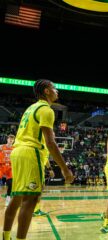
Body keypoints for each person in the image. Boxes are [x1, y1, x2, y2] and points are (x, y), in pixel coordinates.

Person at [3, 79, 74, 240]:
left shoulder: (31, 108)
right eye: (54, 88)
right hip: (30, 153)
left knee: (17, 197)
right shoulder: (46, 110)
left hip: (18, 151)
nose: (57, 91)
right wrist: (64, 169)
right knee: (31, 199)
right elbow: (50, 142)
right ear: (46, 91)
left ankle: (5, 236)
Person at [0, 135, 15, 207]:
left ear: (14, 141)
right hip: (1, 166)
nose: (11, 140)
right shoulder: (1, 147)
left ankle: (8, 197)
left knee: (10, 184)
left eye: (12, 139)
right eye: (10, 139)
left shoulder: (15, 148)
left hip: (10, 167)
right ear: (7, 139)